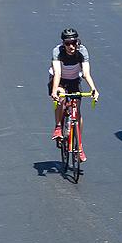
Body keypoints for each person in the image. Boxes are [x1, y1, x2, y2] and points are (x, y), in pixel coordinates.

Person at [49, 29, 99, 162]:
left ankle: (79, 147)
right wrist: (54, 91)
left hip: (74, 80)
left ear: (78, 42)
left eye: (74, 42)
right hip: (58, 80)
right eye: (67, 43)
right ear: (63, 43)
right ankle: (58, 127)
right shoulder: (57, 52)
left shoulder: (82, 51)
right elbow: (57, 73)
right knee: (61, 96)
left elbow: (86, 74)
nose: (71, 46)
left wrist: (93, 89)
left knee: (77, 112)